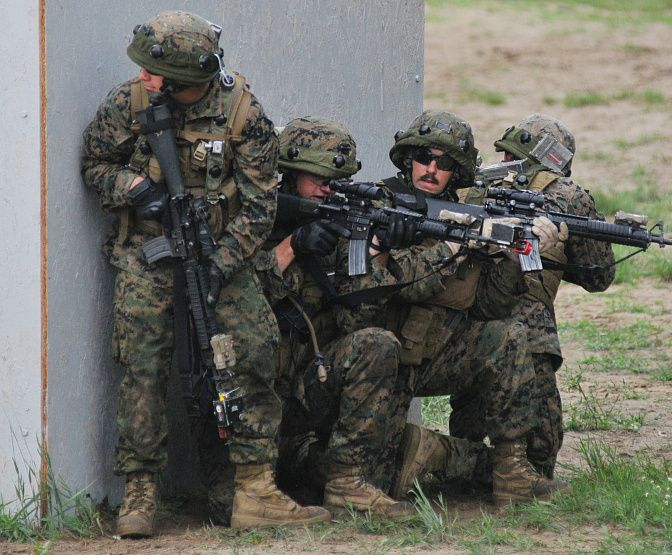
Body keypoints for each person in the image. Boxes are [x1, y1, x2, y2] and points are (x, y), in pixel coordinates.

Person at [81, 11, 329, 536]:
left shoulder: (243, 114)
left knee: (253, 350)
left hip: (221, 254)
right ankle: (140, 491)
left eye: (154, 72)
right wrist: (135, 189)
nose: (143, 78)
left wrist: (220, 265)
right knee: (143, 365)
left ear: (183, 79)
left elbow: (260, 208)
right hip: (146, 254)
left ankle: (256, 487)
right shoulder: (129, 103)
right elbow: (95, 164)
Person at [374, 110, 568, 503]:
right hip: (383, 362)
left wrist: (513, 257)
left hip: (439, 355)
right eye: (424, 158)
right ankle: (435, 452)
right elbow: (401, 283)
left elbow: (489, 306)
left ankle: (511, 470)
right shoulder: (383, 204)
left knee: (508, 335)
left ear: (458, 171)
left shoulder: (466, 215)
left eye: (444, 163)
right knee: (377, 476)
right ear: (408, 158)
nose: (431, 169)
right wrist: (456, 245)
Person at [254, 116, 414, 518]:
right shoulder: (255, 219)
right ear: (291, 173)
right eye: (319, 179)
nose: (328, 190)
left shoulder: (336, 229)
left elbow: (354, 323)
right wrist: (292, 246)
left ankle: (345, 482)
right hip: (255, 399)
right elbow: (240, 301)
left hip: (307, 395)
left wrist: (377, 251)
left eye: (336, 181)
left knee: (378, 344)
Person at [452, 113, 616, 478]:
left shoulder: (470, 184)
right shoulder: (569, 196)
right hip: (524, 331)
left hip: (462, 320)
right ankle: (528, 470)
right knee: (538, 453)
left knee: (468, 424)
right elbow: (599, 276)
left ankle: (468, 465)